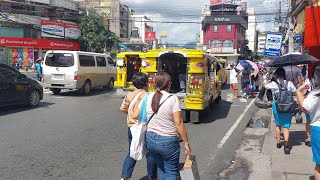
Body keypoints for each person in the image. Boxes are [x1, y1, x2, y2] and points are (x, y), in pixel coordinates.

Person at [144, 72, 191, 180]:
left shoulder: (148, 96)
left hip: (150, 139)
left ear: (155, 83)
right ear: (169, 84)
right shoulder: (172, 99)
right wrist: (186, 143)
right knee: (171, 172)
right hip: (168, 141)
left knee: (161, 169)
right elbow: (178, 122)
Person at [119, 72, 157, 180]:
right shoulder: (149, 95)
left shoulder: (129, 95)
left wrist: (131, 114)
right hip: (145, 128)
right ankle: (152, 176)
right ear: (146, 83)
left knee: (132, 151)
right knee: (150, 153)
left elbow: (122, 108)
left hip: (131, 127)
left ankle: (124, 176)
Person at [265, 67, 296, 154]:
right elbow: (295, 91)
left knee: (278, 124)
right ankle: (286, 144)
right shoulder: (289, 83)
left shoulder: (274, 84)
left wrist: (270, 80)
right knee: (286, 126)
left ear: (277, 75)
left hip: (277, 106)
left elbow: (264, 86)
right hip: (288, 106)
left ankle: (278, 143)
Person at [296, 65, 320, 180]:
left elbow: (305, 108)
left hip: (318, 129)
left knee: (319, 166)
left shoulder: (316, 93)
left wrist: (299, 93)